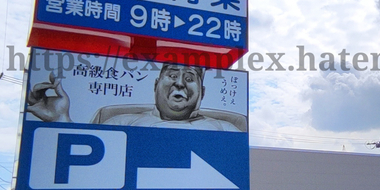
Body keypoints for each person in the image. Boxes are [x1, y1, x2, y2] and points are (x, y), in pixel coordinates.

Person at [25, 62, 241, 131]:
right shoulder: (119, 122)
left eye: (190, 77)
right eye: (172, 75)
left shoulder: (226, 129)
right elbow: (81, 160)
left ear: (202, 92)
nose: (179, 83)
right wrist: (61, 120)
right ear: (156, 84)